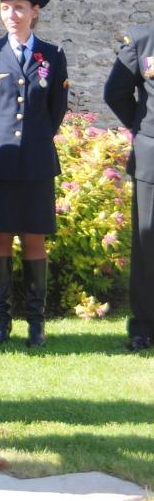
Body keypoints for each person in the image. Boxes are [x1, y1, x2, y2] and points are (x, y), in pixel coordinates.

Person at [0, 0, 69, 348]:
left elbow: (56, 110)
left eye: (19, 8)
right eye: (6, 8)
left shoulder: (52, 55)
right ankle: (1, 321)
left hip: (37, 162)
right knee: (0, 239)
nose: (11, 14)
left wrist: (33, 140)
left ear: (34, 12)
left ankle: (36, 324)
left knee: (35, 239)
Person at [104, 25, 154, 351]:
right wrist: (142, 128)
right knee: (147, 244)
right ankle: (144, 327)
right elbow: (115, 93)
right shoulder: (143, 40)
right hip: (153, 158)